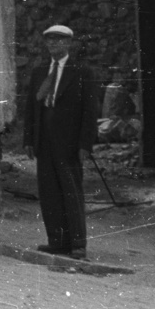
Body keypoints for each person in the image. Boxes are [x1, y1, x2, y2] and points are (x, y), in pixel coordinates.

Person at [23, 24, 101, 260]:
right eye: (50, 41)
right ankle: (56, 241)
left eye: (59, 40)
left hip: (69, 141)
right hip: (44, 139)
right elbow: (31, 108)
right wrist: (29, 139)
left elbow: (90, 111)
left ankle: (77, 243)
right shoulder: (39, 73)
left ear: (68, 43)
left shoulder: (81, 72)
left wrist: (85, 144)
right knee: (49, 191)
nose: (54, 45)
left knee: (71, 191)